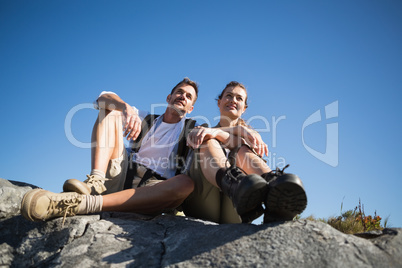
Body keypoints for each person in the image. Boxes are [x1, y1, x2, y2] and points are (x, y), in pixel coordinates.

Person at [20, 79, 273, 225]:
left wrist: (250, 133)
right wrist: (124, 107)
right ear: (169, 96)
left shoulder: (193, 128)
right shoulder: (143, 118)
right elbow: (102, 98)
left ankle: (82, 204)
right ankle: (94, 181)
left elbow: (225, 136)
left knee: (184, 183)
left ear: (192, 107)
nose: (183, 97)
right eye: (179, 93)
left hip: (154, 187)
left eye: (188, 97)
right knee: (109, 111)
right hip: (120, 173)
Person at [182, 81, 307, 224]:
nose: (233, 100)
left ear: (244, 109)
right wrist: (225, 132)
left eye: (239, 98)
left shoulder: (250, 136)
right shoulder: (204, 128)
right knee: (207, 139)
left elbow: (237, 144)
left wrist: (229, 132)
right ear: (219, 102)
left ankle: (275, 187)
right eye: (228, 96)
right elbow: (196, 136)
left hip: (238, 207)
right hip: (202, 203)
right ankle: (233, 184)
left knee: (242, 149)